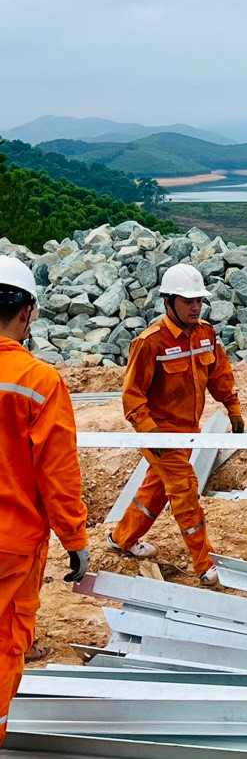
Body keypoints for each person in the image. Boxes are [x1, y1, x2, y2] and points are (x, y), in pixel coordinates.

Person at [110, 263, 244, 586]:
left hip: (188, 436)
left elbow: (220, 375)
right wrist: (150, 431)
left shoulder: (205, 334)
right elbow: (132, 396)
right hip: (159, 435)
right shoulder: (149, 343)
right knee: (184, 491)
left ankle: (121, 538)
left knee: (156, 490)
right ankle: (204, 564)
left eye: (199, 301)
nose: (196, 307)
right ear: (168, 302)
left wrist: (233, 407)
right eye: (188, 301)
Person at [0, 256, 88, 746]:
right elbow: (56, 473)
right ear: (28, 312)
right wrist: (75, 537)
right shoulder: (37, 381)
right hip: (10, 544)